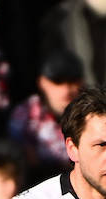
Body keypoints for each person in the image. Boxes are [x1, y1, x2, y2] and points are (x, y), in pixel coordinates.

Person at [8, 50, 84, 182]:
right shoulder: (26, 114)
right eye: (57, 82)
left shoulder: (92, 114)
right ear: (42, 82)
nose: (66, 90)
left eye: (72, 81)